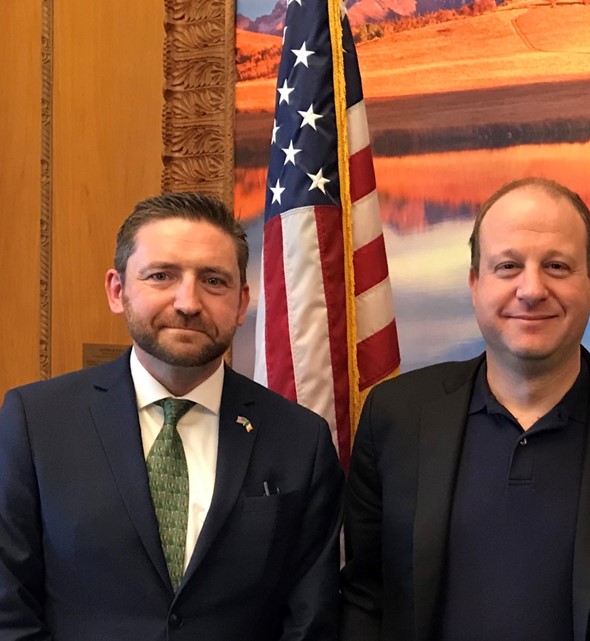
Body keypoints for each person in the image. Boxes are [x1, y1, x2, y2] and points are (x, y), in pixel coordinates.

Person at [339, 177, 590, 641]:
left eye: (556, 266)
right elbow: (365, 596)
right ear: (475, 284)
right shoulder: (395, 416)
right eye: (508, 266)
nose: (531, 289)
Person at [0, 193, 343, 640]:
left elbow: (309, 621)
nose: (188, 302)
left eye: (213, 281)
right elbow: (9, 606)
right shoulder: (37, 422)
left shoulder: (301, 440)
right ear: (117, 291)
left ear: (242, 304)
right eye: (162, 276)